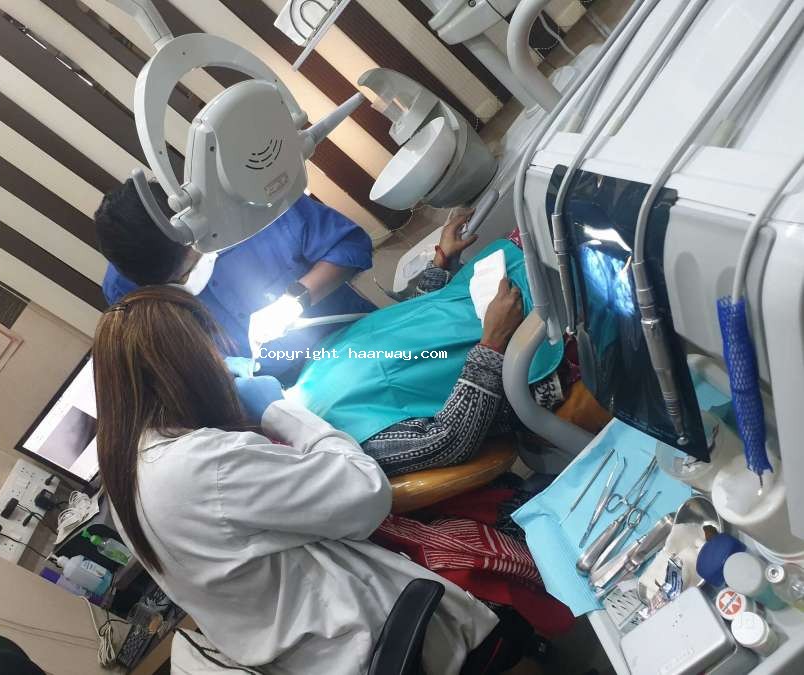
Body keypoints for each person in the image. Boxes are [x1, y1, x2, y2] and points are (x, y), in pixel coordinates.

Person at [92, 285, 520, 675]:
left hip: (306, 647)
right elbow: (368, 492)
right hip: (378, 638)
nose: (222, 364)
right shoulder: (205, 464)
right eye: (213, 354)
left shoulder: (129, 476)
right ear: (191, 369)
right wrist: (278, 411)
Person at [290, 212, 567, 476]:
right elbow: (449, 440)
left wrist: (440, 262)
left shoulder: (315, 365)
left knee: (554, 213)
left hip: (499, 283)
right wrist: (493, 343)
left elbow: (413, 323)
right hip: (532, 351)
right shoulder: (347, 446)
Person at [94, 179, 376, 381]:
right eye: (176, 283)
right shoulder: (124, 288)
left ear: (193, 229)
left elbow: (350, 246)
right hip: (274, 391)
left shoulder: (250, 205)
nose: (188, 283)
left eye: (189, 271)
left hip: (351, 341)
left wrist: (296, 299)